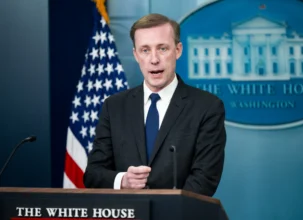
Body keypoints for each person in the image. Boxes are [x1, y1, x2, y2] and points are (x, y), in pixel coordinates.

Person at [83, 13, 226, 197]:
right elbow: (93, 174)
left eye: (162, 48)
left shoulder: (207, 107)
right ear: (135, 55)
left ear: (178, 50)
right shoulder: (114, 106)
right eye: (145, 50)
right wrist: (123, 180)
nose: (154, 59)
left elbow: (204, 179)